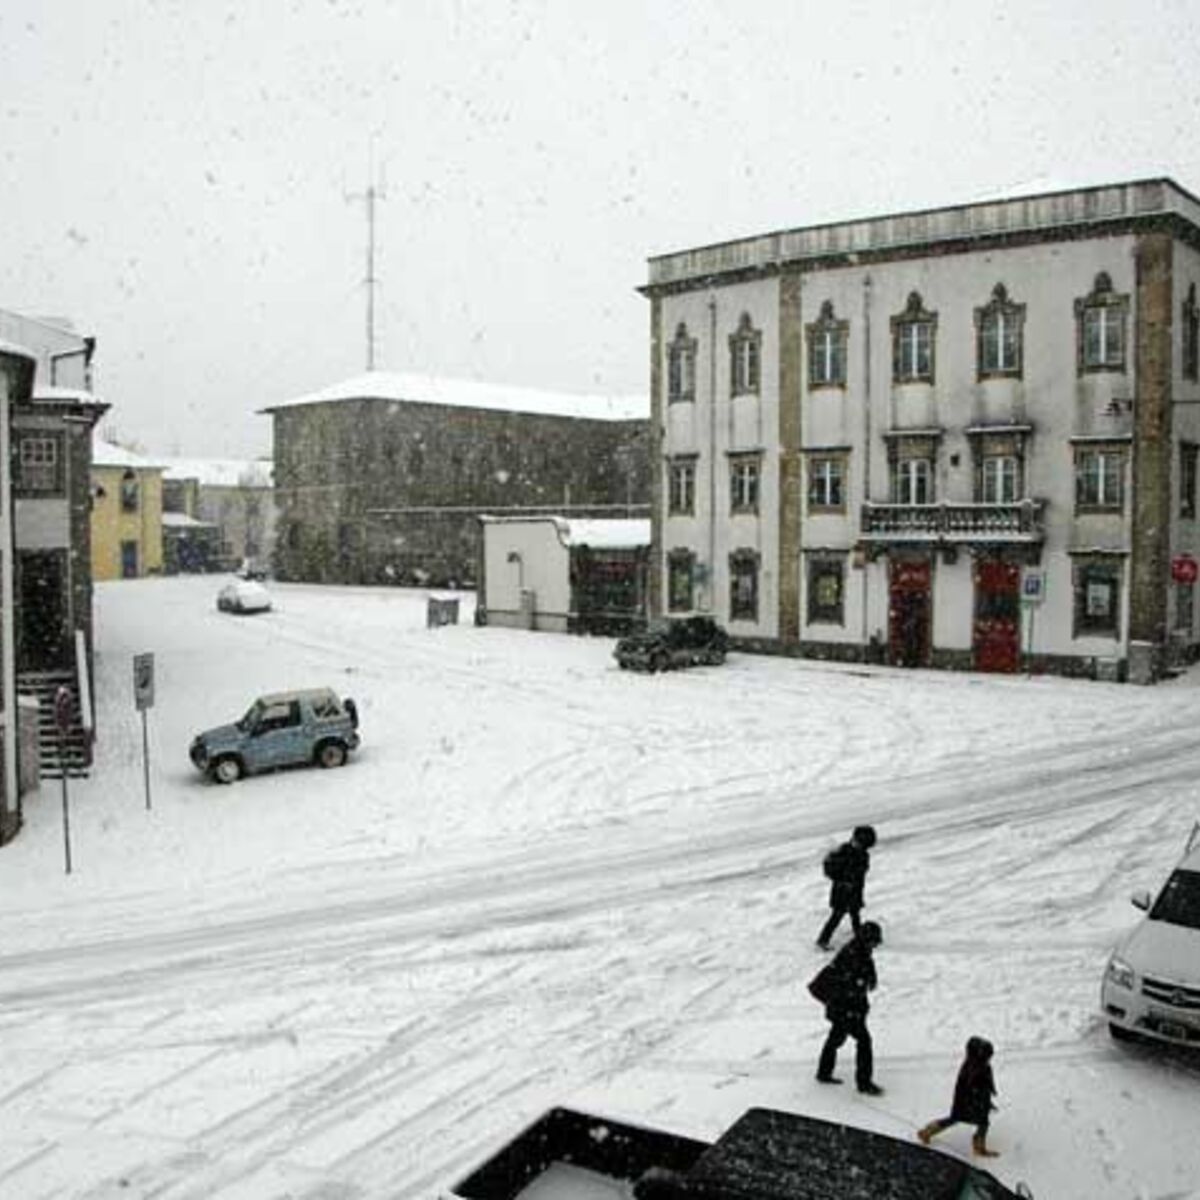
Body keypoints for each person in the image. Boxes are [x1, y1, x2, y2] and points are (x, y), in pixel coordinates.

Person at [808, 920, 883, 1095]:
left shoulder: (858, 951)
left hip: (843, 1008)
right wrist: (862, 986)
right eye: (874, 941)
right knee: (864, 1041)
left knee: (836, 1038)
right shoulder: (854, 955)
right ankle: (864, 1083)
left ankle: (824, 1073)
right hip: (847, 1009)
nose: (876, 945)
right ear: (867, 939)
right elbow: (849, 985)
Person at [917, 1036, 999, 1158]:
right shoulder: (974, 1069)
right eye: (988, 1056)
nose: (989, 1058)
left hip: (973, 1101)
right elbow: (975, 1088)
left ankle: (927, 1131)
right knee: (979, 1122)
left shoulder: (978, 1066)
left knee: (958, 1119)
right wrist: (982, 1102)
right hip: (970, 1102)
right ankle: (979, 1147)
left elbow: (985, 1085)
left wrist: (988, 1100)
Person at [816, 825, 876, 950]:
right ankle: (822, 940)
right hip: (841, 892)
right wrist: (846, 879)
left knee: (855, 915)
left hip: (854, 891)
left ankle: (859, 938)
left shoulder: (863, 854)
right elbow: (834, 871)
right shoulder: (843, 851)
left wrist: (854, 876)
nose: (858, 845)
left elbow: (862, 870)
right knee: (836, 917)